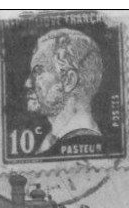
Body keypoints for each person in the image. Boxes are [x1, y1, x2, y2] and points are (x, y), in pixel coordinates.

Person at [24, 28, 105, 156]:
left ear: (68, 81)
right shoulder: (54, 139)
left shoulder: (77, 139)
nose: (28, 83)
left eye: (39, 72)